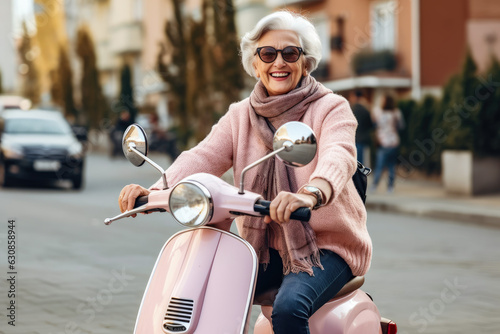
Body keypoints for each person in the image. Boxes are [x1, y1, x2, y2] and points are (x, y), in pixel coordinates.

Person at [117, 11, 372, 334]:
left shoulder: (330, 108)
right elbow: (203, 155)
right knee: (199, 290)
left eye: (290, 53)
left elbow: (339, 155)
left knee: (289, 308)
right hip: (262, 246)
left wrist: (310, 193)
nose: (278, 62)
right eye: (267, 53)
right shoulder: (240, 115)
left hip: (326, 247)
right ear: (255, 64)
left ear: (305, 63)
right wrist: (153, 191)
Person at [371, 94, 405, 193]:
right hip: (394, 141)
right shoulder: (396, 113)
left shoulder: (378, 112)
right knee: (391, 166)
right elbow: (401, 126)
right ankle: (390, 187)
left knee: (379, 165)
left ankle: (374, 185)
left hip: (382, 141)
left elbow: (373, 122)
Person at [350, 89, 374, 165]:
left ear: (355, 97)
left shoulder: (351, 109)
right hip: (364, 139)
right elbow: (371, 125)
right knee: (361, 163)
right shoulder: (366, 109)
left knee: (354, 162)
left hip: (354, 138)